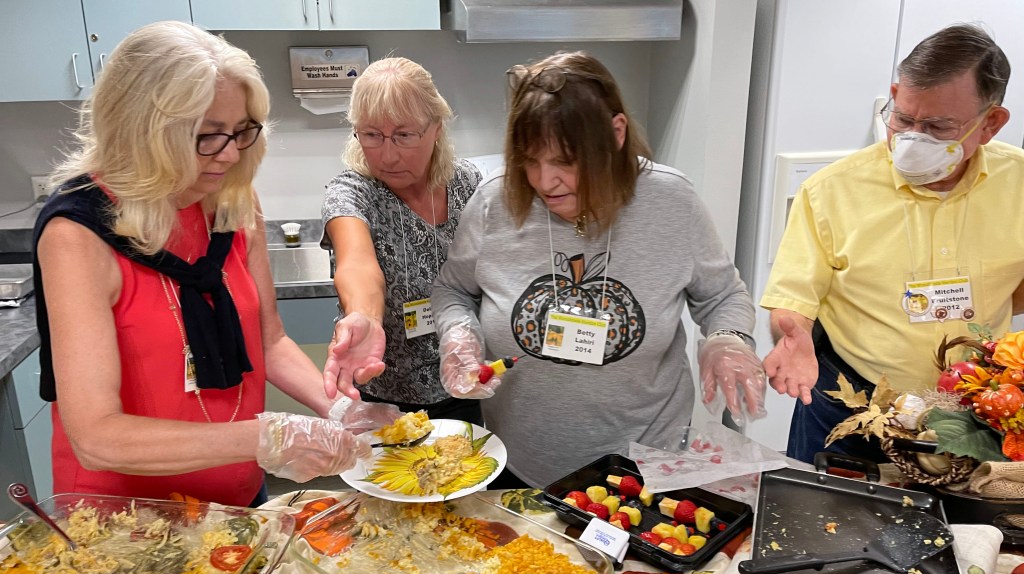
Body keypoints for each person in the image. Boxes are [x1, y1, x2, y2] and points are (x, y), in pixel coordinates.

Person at [32, 21, 381, 508]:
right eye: (208, 135)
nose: (232, 153)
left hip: (236, 498)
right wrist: (266, 438)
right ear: (139, 131)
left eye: (241, 131)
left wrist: (342, 411)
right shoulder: (78, 234)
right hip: (127, 518)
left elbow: (270, 342)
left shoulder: (233, 202)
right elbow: (96, 436)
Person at [431, 51, 766, 488]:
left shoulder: (671, 201)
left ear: (616, 134)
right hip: (519, 462)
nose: (544, 181)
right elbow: (454, 290)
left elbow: (722, 296)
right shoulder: (496, 200)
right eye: (530, 160)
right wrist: (458, 333)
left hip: (644, 462)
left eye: (565, 161)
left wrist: (728, 339)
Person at [761, 23, 1024, 463]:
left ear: (990, 123)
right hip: (851, 407)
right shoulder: (831, 191)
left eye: (938, 126)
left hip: (977, 414)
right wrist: (795, 337)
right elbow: (793, 301)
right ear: (895, 95)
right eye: (902, 118)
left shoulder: (1018, 182)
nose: (912, 138)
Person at [320, 57, 483, 425]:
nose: (388, 155)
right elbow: (357, 265)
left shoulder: (468, 184)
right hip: (382, 398)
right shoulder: (352, 193)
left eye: (404, 135)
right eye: (371, 135)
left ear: (436, 128)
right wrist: (363, 317)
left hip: (464, 386)